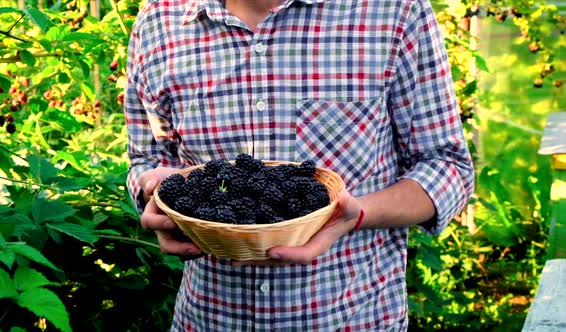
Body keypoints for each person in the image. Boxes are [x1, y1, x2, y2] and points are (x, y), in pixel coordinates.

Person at [124, 0, 475, 330]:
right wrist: (156, 193)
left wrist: (356, 213)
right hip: (209, 318)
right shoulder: (159, 21)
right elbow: (148, 160)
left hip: (352, 317)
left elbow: (447, 166)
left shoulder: (393, 11)